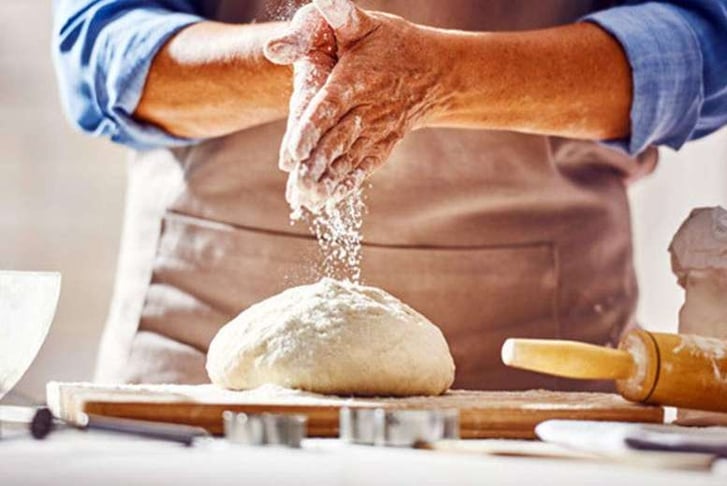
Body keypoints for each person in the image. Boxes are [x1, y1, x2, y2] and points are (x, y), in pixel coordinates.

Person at [52, 0, 727, 390]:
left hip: (536, 344)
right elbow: (97, 41)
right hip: (204, 323)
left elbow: (706, 40)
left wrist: (453, 75)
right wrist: (305, 60)